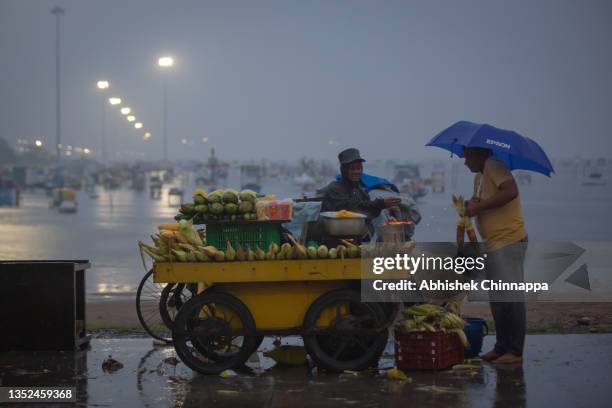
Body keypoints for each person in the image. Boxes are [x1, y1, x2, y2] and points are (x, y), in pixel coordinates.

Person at [463, 146, 528, 365]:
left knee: (511, 300)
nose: (464, 162)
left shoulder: (493, 164)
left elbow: (510, 191)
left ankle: (515, 351)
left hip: (509, 239)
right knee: (499, 301)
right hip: (492, 243)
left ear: (479, 154)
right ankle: (501, 347)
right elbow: (479, 203)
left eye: (467, 156)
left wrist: (479, 207)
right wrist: (469, 207)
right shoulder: (480, 176)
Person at [321, 148, 400, 219]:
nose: (356, 172)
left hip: (358, 232)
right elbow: (350, 208)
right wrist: (380, 203)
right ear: (344, 171)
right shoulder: (335, 188)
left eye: (359, 168)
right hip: (337, 233)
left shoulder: (360, 190)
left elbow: (369, 213)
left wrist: (384, 206)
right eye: (352, 169)